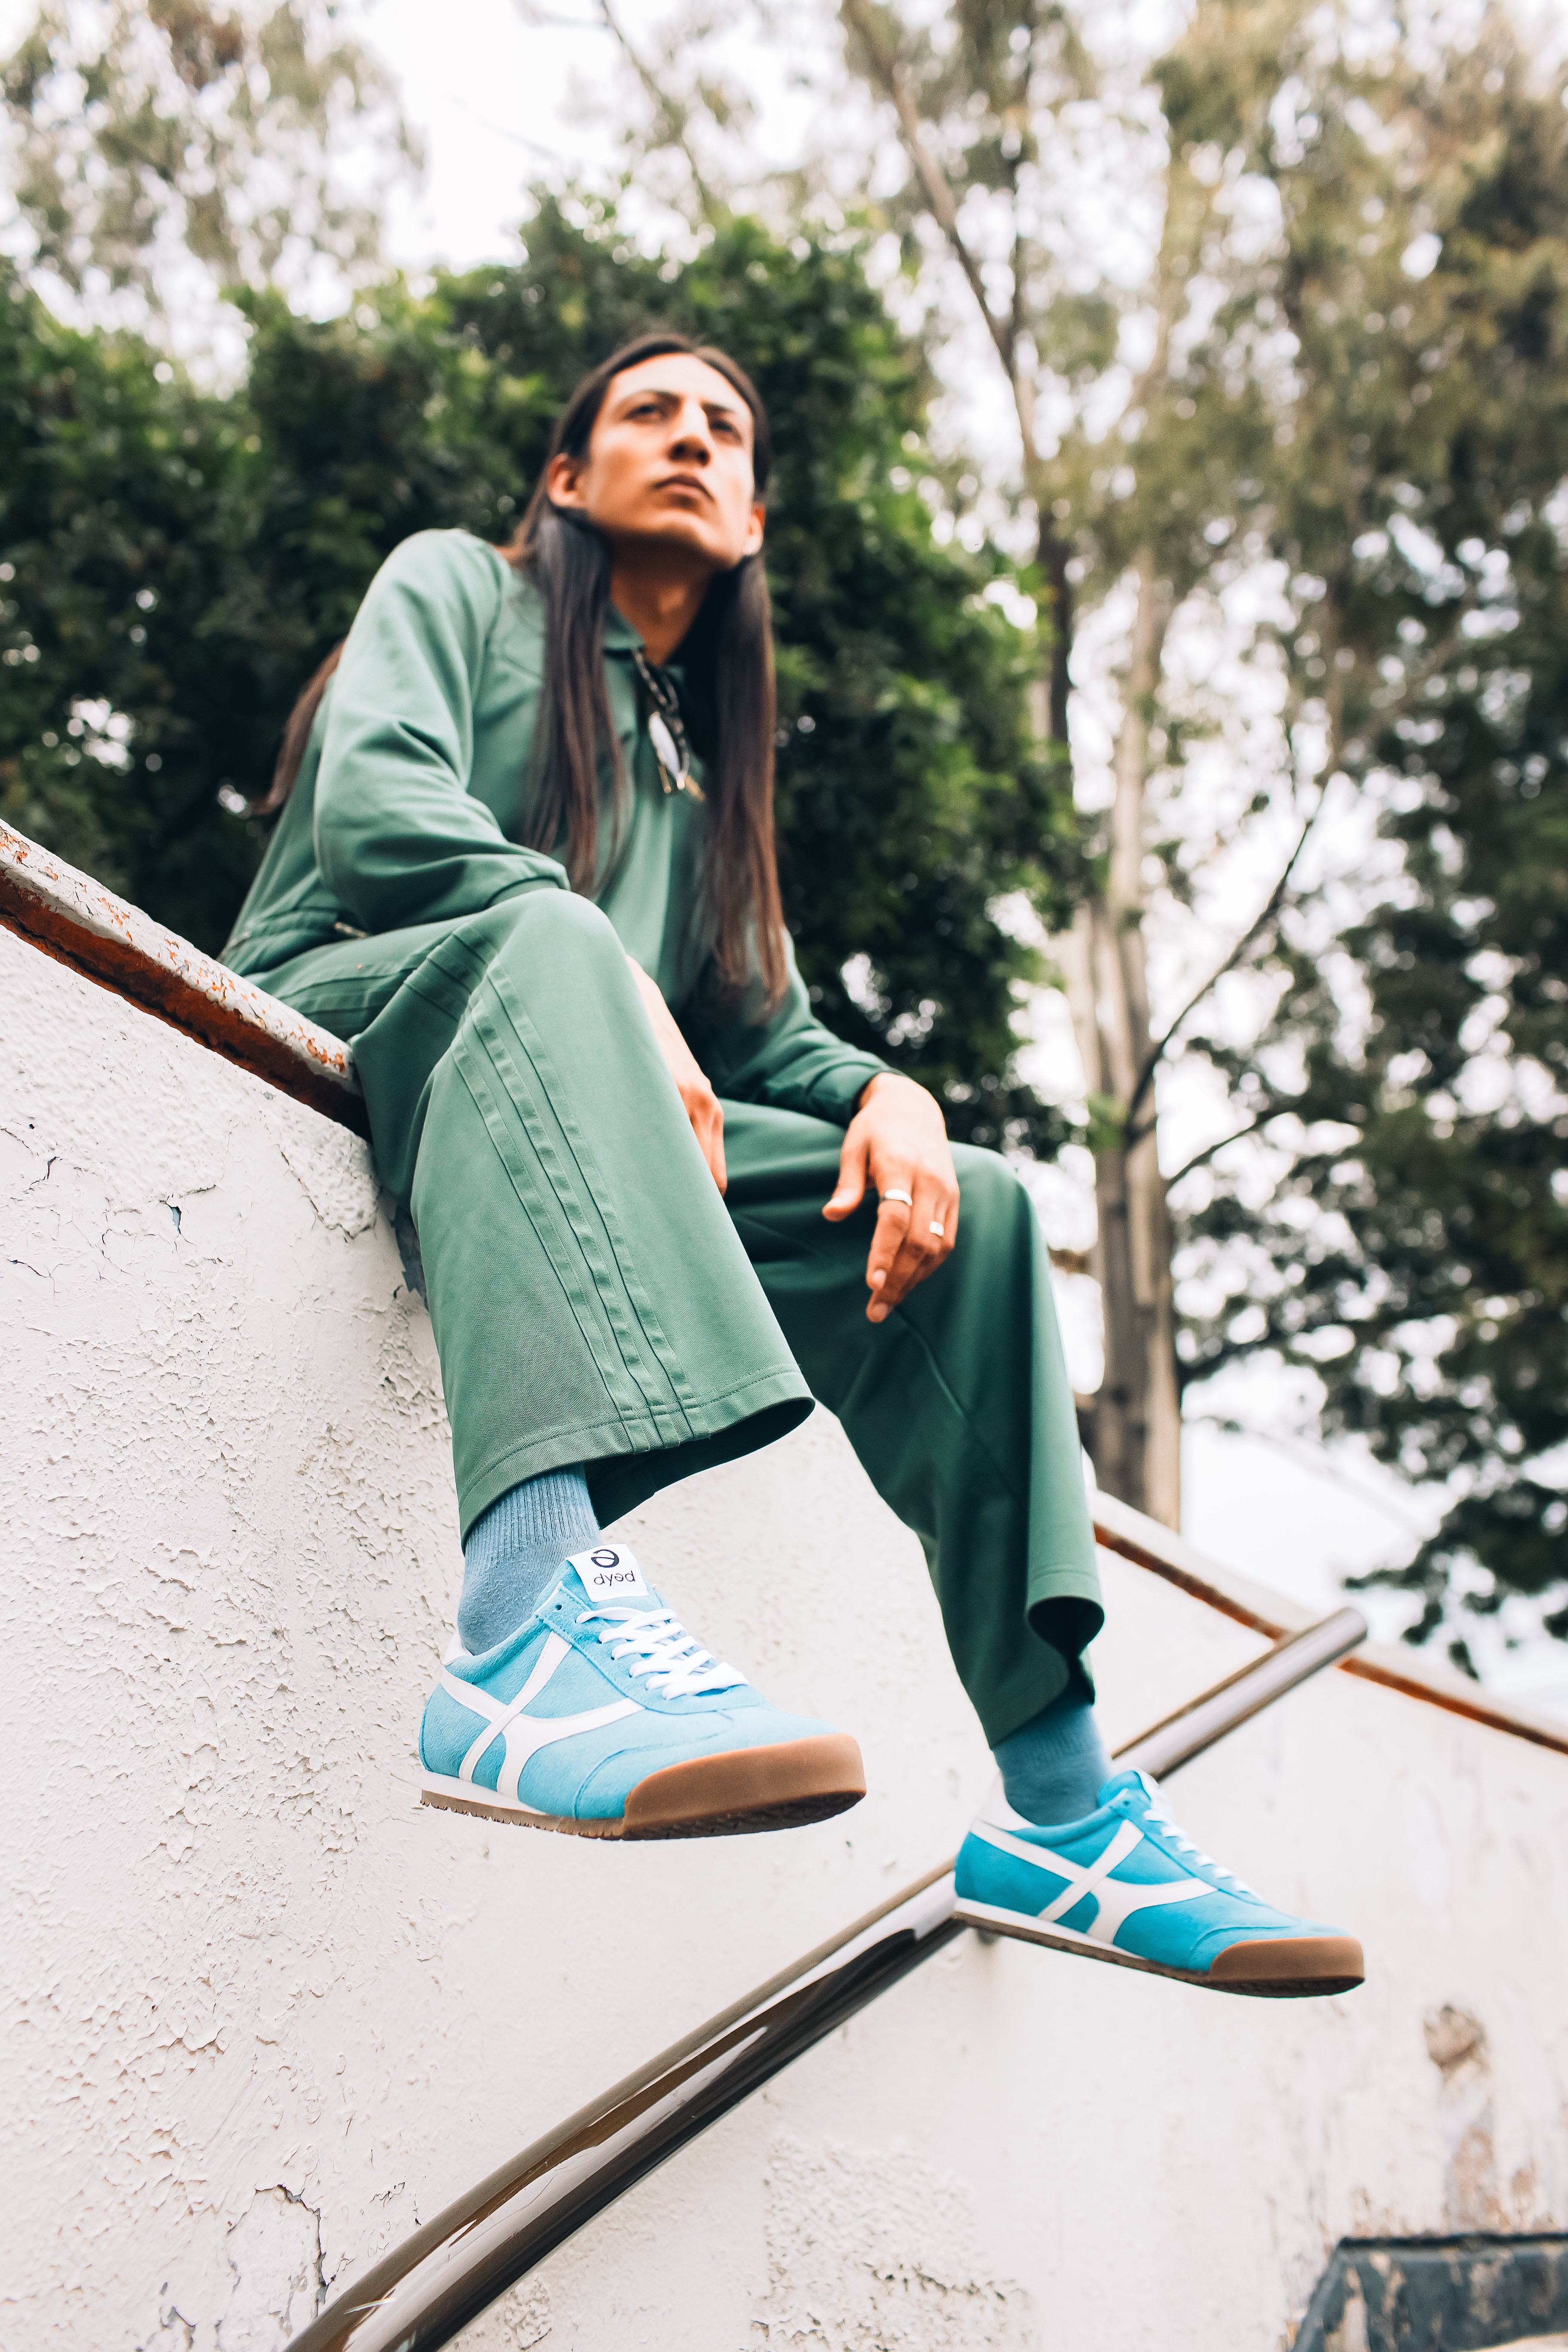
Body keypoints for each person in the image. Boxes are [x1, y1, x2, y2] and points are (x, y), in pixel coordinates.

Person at [222, 332, 1363, 1997]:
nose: (692, 436)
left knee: (972, 1212)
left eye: (726, 427)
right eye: (650, 413)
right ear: (568, 478)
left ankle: (1063, 1814)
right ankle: (522, 1629)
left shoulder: (704, 755)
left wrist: (888, 1092)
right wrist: (596, 961)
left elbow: (764, 1032)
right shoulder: (458, 586)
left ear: (752, 518)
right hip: (358, 1003)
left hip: (566, 1076)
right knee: (556, 945)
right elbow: (379, 813)